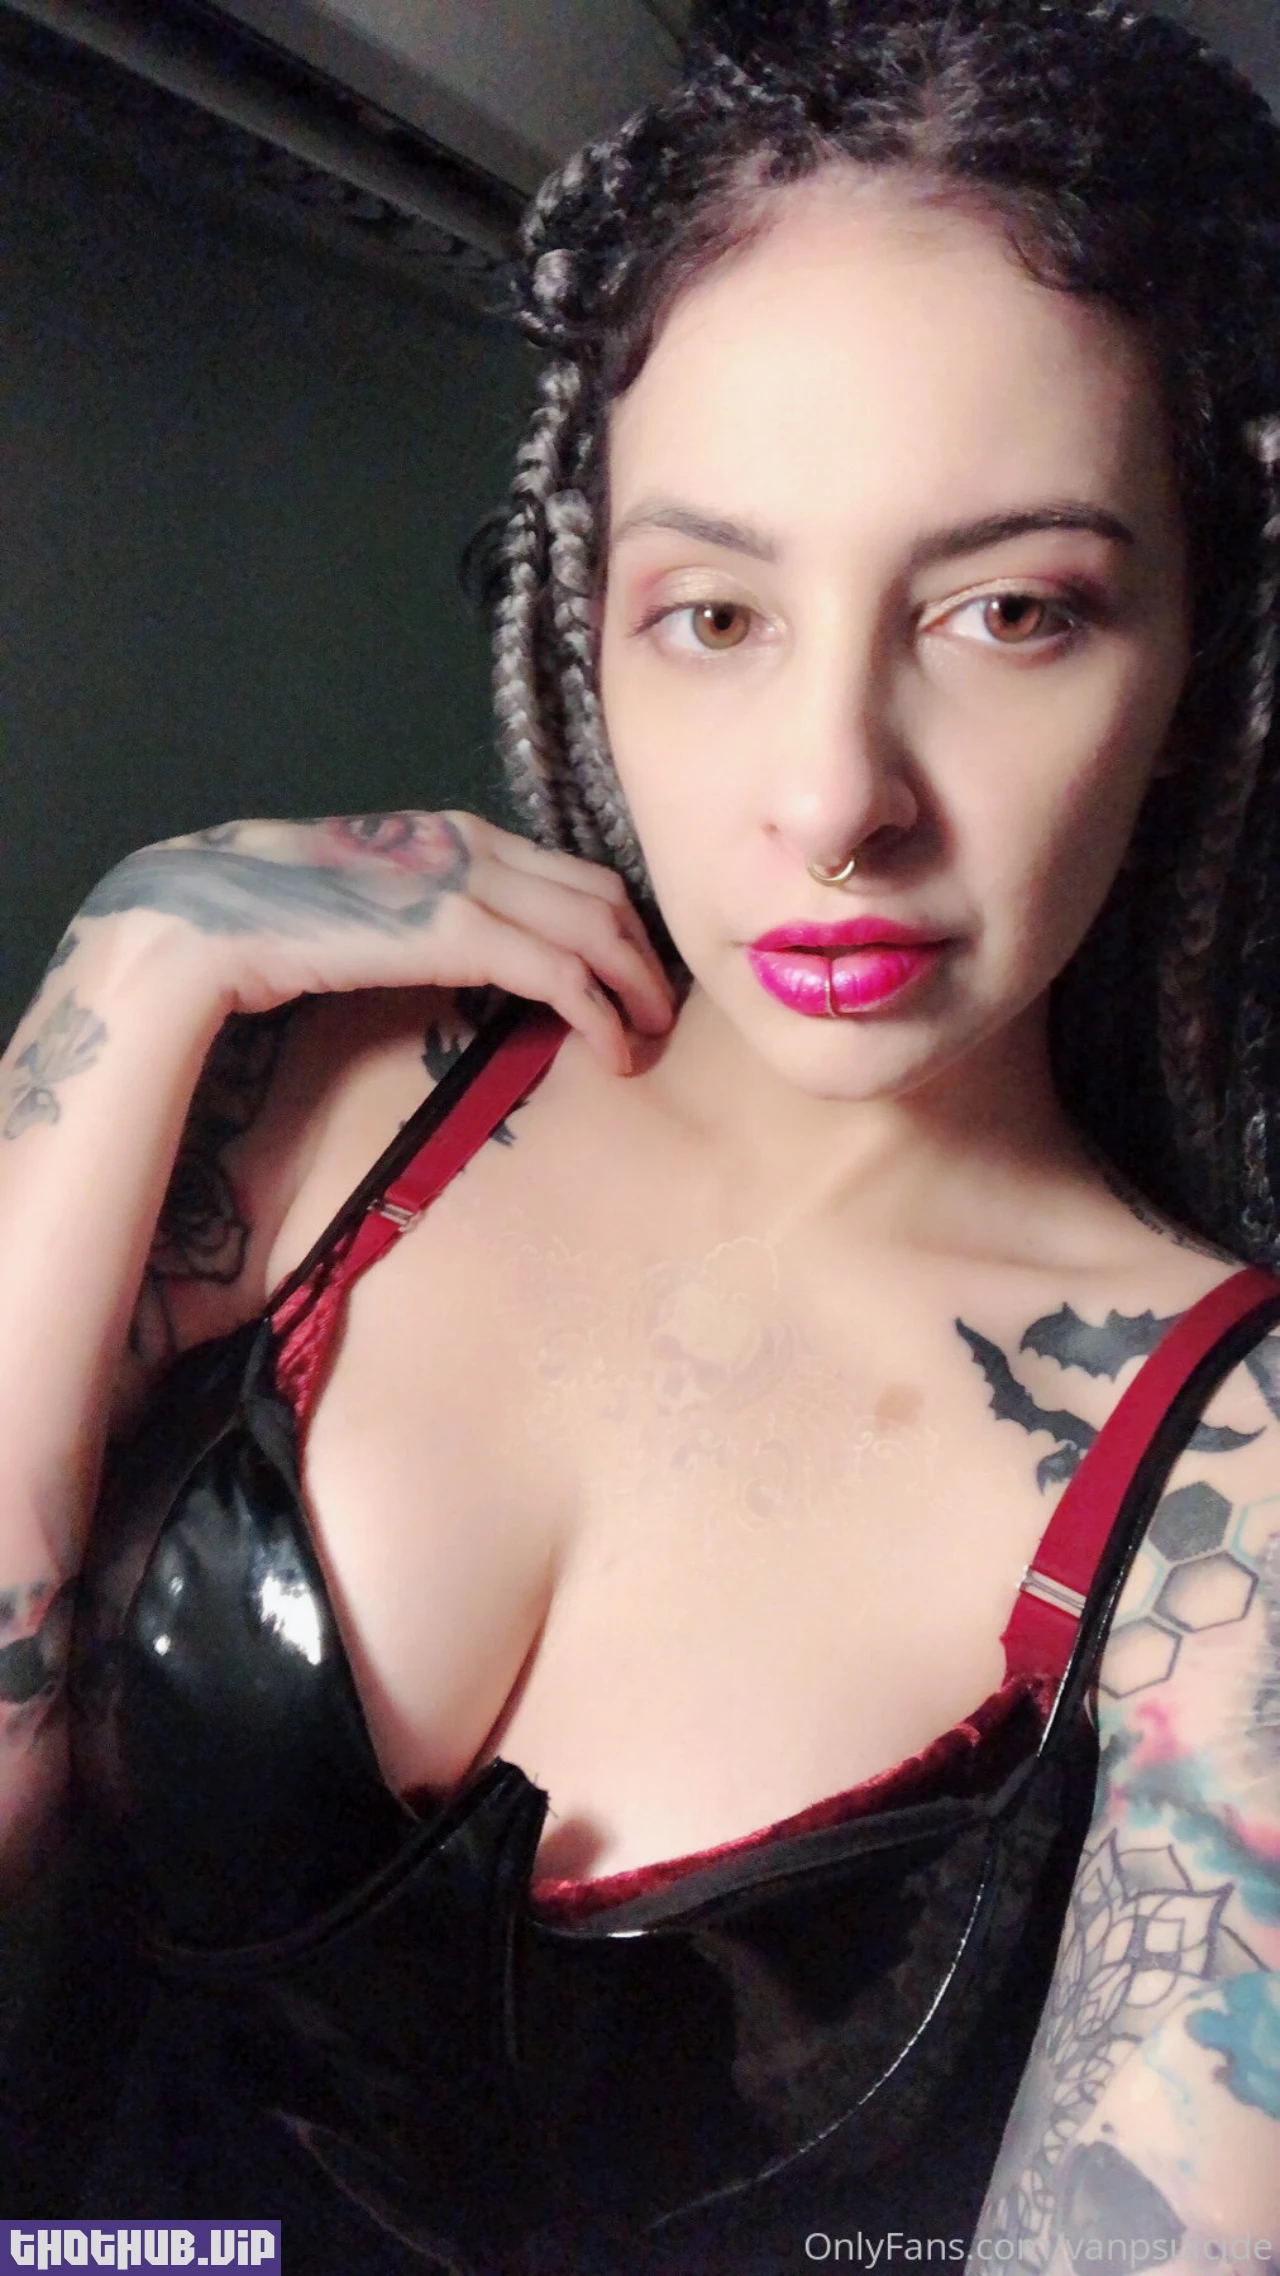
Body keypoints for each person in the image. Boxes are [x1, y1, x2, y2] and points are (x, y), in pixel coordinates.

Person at [1, 0, 1279, 2267]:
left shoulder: (1236, 1491)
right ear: (588, 625)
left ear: (1194, 657)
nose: (832, 792)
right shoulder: (320, 1101)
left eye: (1009, 611)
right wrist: (121, 975)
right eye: (715, 611)